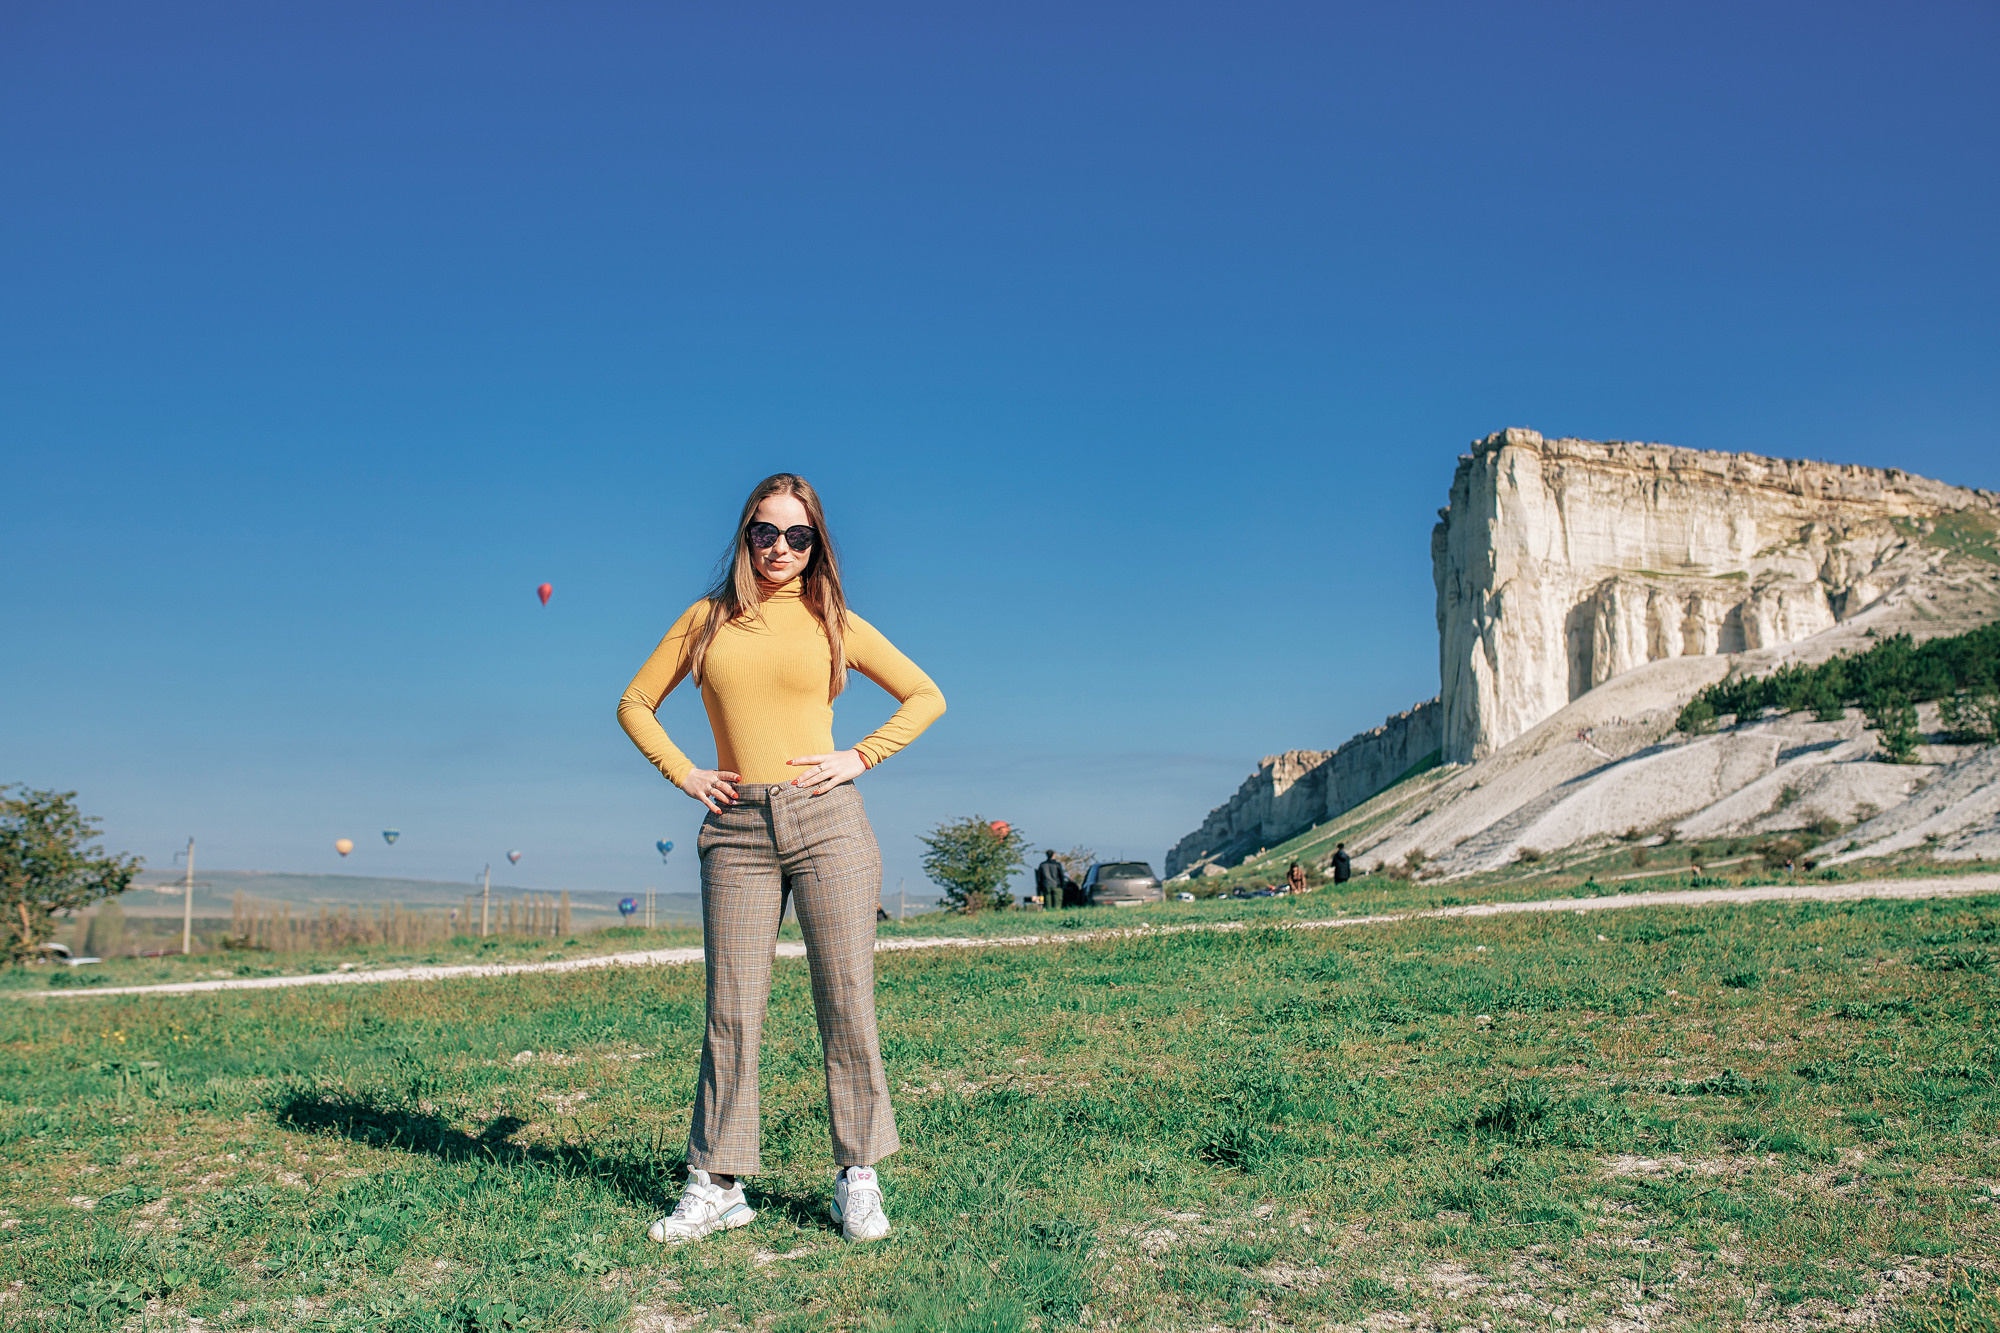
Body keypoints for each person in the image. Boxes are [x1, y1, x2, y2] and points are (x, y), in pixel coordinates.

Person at [617, 473, 945, 1248]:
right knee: (732, 1010)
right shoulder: (706, 620)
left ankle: (856, 1176)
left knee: (847, 1002)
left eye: (799, 537)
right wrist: (688, 773)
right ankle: (718, 1184)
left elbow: (925, 694)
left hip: (829, 821)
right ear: (746, 534)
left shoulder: (832, 619)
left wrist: (859, 756)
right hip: (735, 828)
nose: (781, 549)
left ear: (816, 544)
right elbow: (635, 701)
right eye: (767, 531)